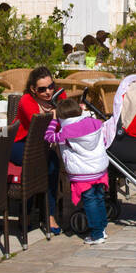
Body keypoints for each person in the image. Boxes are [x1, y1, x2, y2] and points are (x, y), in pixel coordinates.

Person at [45, 97, 116, 245]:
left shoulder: (67, 131)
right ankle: (102, 229)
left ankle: (97, 234)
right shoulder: (95, 123)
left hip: (83, 173)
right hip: (100, 169)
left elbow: (48, 137)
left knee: (90, 202)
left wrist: (54, 120)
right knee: (99, 199)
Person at [12, 66, 65, 234]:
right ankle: (28, 211)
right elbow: (39, 127)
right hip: (21, 142)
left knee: (51, 163)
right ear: (33, 90)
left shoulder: (59, 96)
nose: (49, 92)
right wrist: (56, 114)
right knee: (37, 163)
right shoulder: (27, 101)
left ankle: (48, 213)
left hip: (45, 146)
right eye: (42, 89)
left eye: (51, 86)